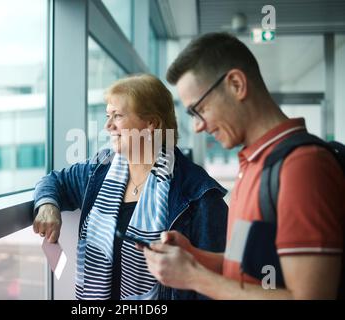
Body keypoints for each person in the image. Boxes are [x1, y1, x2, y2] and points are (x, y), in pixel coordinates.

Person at [143, 32, 345, 299]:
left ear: (236, 84)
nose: (198, 125)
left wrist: (194, 277)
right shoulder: (250, 165)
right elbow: (241, 263)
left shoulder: (303, 167)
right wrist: (194, 256)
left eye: (198, 109)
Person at [33, 74, 228, 300]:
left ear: (151, 124)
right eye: (108, 116)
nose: (107, 126)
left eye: (117, 116)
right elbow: (53, 181)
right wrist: (47, 205)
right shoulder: (99, 169)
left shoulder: (198, 193)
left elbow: (213, 284)